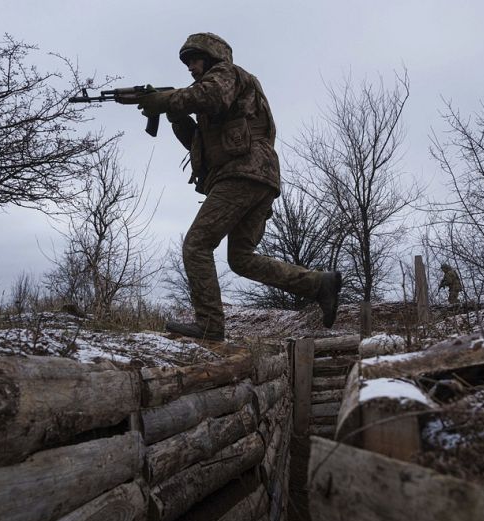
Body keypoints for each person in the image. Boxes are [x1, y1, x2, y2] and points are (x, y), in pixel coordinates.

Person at [133, 32, 341, 341]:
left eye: (195, 60)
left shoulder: (226, 75)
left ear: (213, 56)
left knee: (197, 244)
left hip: (244, 173)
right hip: (258, 178)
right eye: (187, 63)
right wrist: (175, 117)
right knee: (241, 257)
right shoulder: (216, 95)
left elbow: (210, 95)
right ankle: (318, 284)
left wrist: (165, 100)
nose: (191, 68)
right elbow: (198, 145)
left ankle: (209, 326)